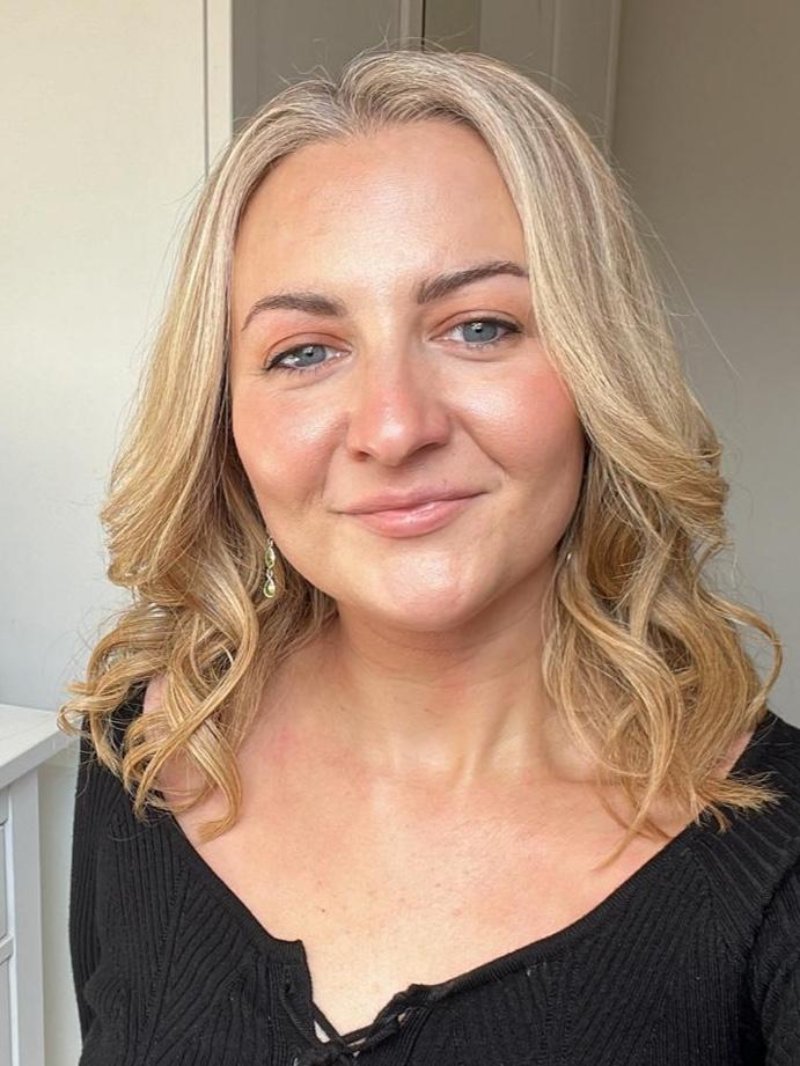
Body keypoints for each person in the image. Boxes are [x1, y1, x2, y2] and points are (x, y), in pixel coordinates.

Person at [62, 49, 800, 1066]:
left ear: (599, 372)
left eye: (479, 327)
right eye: (304, 351)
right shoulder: (142, 749)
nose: (394, 427)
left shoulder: (775, 861)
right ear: (224, 420)